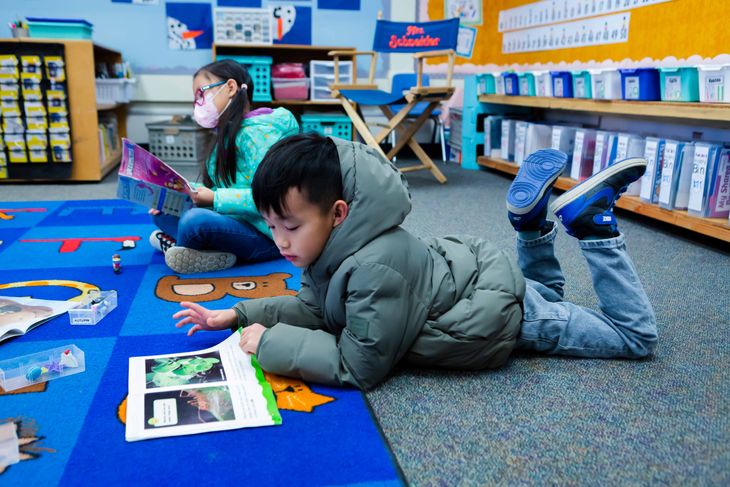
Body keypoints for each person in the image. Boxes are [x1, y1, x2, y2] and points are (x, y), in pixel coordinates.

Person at [173, 133, 658, 390]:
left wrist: (269, 342)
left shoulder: (372, 267)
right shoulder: (333, 245)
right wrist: (240, 313)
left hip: (504, 316)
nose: (279, 242)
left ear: (339, 213)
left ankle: (595, 229)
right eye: (271, 225)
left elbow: (359, 366)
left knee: (633, 339)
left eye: (290, 226)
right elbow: (319, 310)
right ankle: (530, 226)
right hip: (471, 279)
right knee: (549, 293)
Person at [149, 59, 299, 274]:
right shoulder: (226, 134)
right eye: (195, 98)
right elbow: (222, 187)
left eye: (202, 94)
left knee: (194, 221)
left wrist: (215, 199)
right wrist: (181, 190)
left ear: (230, 87)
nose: (198, 103)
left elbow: (273, 199)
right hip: (237, 221)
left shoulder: (259, 134)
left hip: (268, 236)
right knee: (162, 213)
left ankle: (179, 247)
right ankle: (192, 249)